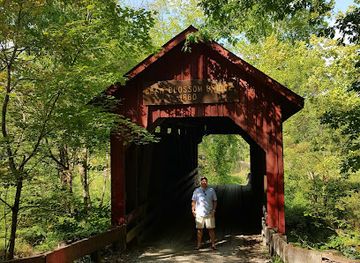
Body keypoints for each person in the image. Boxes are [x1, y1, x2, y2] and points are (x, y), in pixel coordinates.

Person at [191, 176, 217, 250]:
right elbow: (193, 201)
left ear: (207, 182)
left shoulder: (211, 190)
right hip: (199, 213)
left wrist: (214, 210)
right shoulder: (196, 191)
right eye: (202, 181)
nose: (204, 182)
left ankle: (213, 244)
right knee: (199, 230)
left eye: (205, 181)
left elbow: (215, 201)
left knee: (211, 229)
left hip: (209, 212)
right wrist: (193, 210)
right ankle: (199, 245)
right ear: (200, 182)